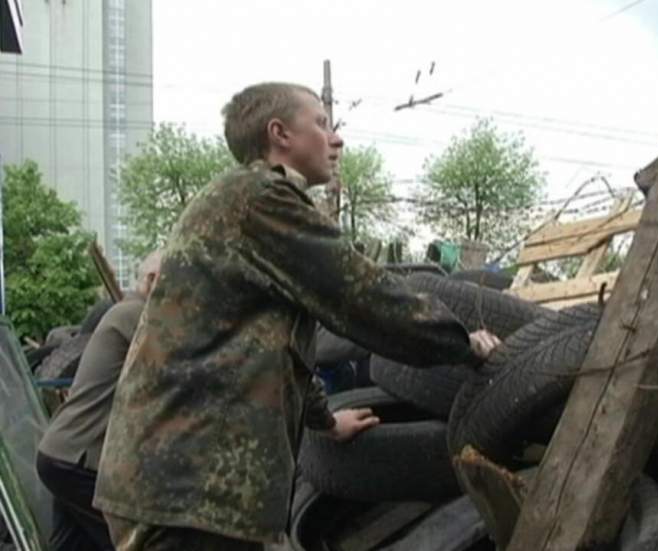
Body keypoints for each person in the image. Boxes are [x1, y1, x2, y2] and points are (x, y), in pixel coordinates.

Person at [92, 82, 501, 550]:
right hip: (190, 488)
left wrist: (325, 422)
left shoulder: (245, 207)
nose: (337, 138)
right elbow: (363, 295)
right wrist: (463, 344)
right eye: (323, 124)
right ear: (280, 134)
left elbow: (275, 348)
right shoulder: (261, 199)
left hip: (180, 481)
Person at [36, 251, 163, 551]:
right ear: (154, 280)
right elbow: (179, 370)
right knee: (133, 542)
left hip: (60, 453)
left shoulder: (125, 312)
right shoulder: (137, 317)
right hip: (79, 461)